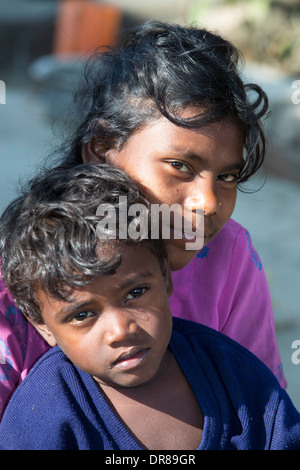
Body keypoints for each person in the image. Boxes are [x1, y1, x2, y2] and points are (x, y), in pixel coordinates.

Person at [0, 20, 286, 419]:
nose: (206, 204)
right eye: (179, 166)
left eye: (227, 176)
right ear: (101, 151)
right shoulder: (22, 274)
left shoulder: (228, 255)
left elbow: (260, 410)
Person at [0, 163, 299, 451]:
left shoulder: (233, 373)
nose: (121, 330)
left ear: (166, 276)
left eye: (136, 292)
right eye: (82, 315)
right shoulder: (43, 414)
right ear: (42, 325)